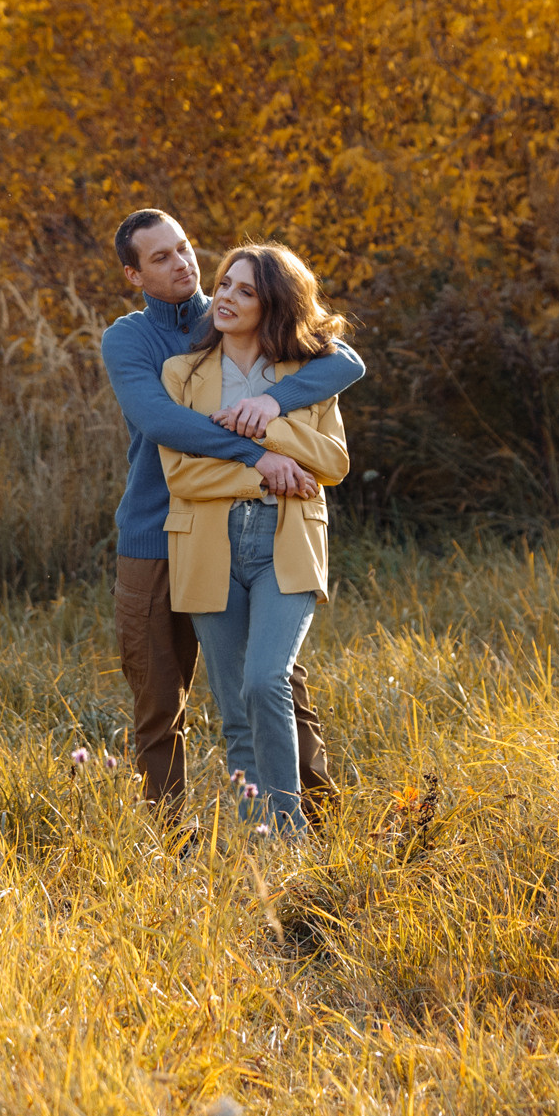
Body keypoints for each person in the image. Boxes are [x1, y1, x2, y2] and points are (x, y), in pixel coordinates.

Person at [100, 210, 364, 821]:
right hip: (156, 531)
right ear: (133, 274)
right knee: (160, 696)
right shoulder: (134, 340)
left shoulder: (234, 312)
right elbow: (163, 423)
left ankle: (311, 822)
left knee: (275, 684)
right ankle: (169, 838)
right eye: (160, 257)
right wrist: (261, 458)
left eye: (185, 248)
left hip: (251, 531)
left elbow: (345, 361)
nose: (182, 264)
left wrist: (272, 401)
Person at [157, 244, 349, 835]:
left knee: (267, 679)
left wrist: (275, 423)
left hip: (284, 540)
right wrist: (259, 468)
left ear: (273, 305)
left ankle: (290, 833)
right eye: (224, 285)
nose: (226, 298)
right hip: (209, 544)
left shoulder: (304, 377)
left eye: (245, 290)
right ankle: (260, 840)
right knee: (236, 709)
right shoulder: (183, 374)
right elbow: (181, 473)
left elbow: (334, 463)